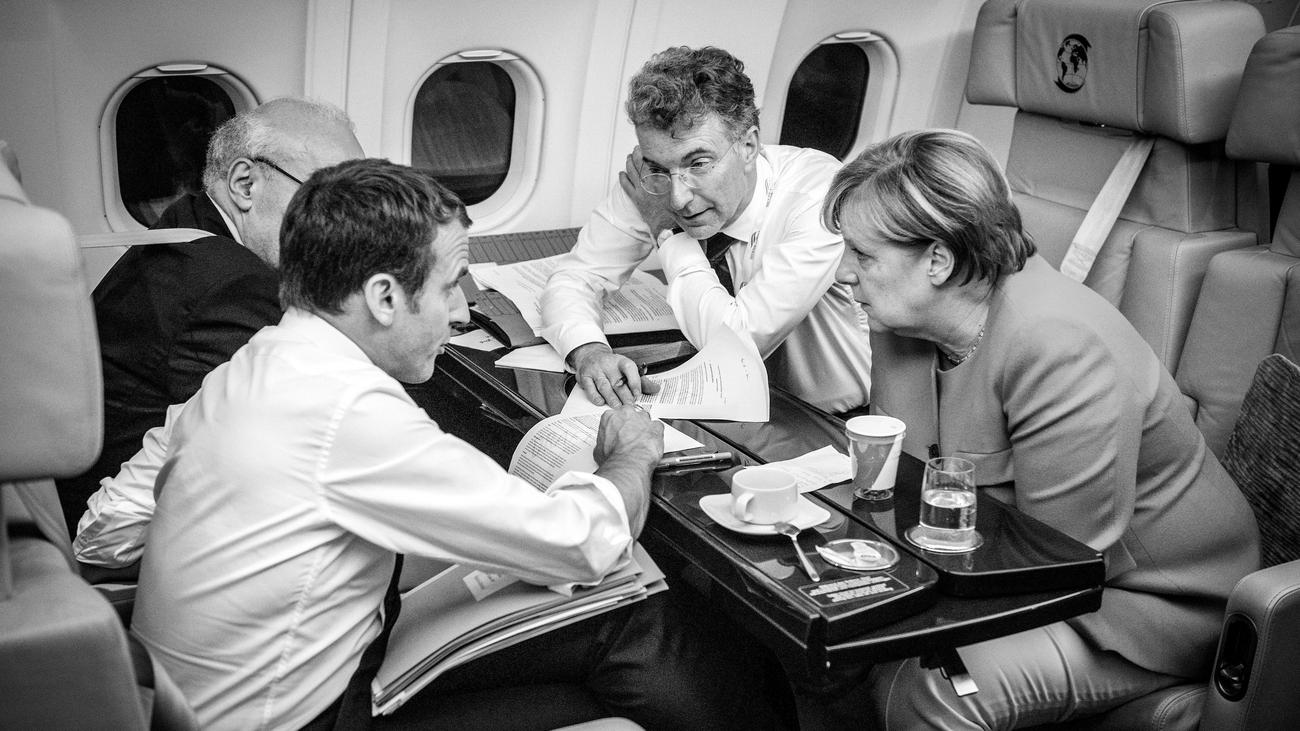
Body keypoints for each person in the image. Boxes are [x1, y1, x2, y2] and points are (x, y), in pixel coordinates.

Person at [130, 158, 781, 731]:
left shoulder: (255, 363)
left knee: (598, 664)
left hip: (214, 699)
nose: (463, 312)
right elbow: (583, 543)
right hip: (307, 715)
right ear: (384, 296)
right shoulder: (350, 412)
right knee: (645, 619)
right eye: (449, 286)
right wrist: (631, 449)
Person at [825, 129, 1259, 728]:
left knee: (932, 687)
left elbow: (1055, 565)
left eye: (862, 255)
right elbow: (901, 480)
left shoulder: (1059, 344)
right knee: (825, 643)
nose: (843, 272)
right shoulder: (904, 319)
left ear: (938, 261)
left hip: (1143, 608)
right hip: (997, 564)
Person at [59, 97, 364, 541]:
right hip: (114, 536)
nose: (348, 226)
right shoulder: (233, 287)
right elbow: (278, 448)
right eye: (331, 201)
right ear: (245, 184)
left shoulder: (187, 224)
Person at [539, 45, 871, 413]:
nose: (678, 198)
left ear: (748, 146)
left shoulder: (817, 196)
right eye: (659, 167)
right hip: (720, 405)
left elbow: (735, 346)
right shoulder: (653, 182)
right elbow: (576, 276)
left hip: (828, 417)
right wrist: (588, 350)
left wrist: (667, 231)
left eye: (698, 164)